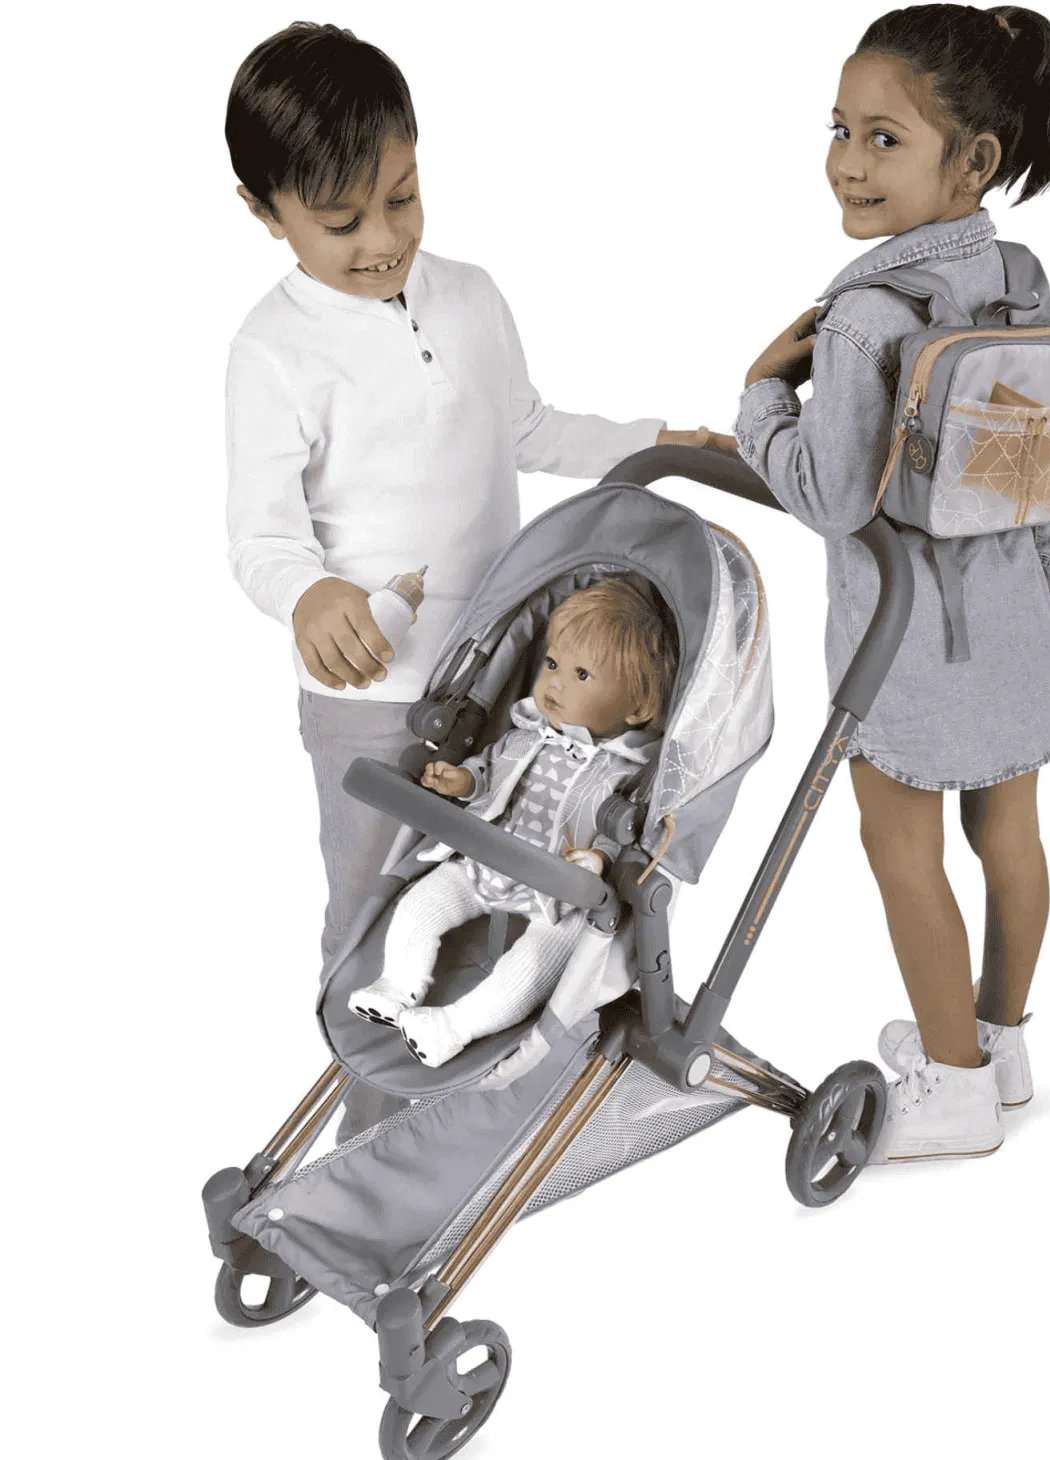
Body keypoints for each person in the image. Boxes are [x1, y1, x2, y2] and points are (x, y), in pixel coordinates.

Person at [223, 23, 724, 1134]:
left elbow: (529, 427)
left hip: (509, 678)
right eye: (341, 222)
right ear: (264, 211)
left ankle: (475, 1125)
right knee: (374, 915)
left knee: (512, 891)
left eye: (401, 199)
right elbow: (260, 536)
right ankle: (368, 1140)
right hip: (372, 702)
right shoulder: (273, 351)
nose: (382, 240)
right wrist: (307, 594)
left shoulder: (470, 294)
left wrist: (660, 439)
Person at [734, 4, 1050, 1162]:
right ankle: (1000, 1039)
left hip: (903, 642)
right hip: (1018, 616)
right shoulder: (1020, 281)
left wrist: (759, 399)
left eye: (883, 138)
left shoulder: (865, 318)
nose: (847, 160)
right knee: (1009, 835)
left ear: (971, 160)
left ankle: (951, 1084)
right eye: (838, 128)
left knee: (901, 849)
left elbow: (829, 494)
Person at [347, 577, 677, 1068]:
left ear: (637, 706)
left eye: (582, 674)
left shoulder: (625, 775)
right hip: (482, 863)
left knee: (535, 966)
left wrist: (597, 860)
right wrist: (462, 781)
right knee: (420, 904)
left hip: (558, 898)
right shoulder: (525, 737)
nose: (555, 681)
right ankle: (396, 986)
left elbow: (622, 834)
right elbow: (489, 772)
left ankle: (454, 1027)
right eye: (552, 664)